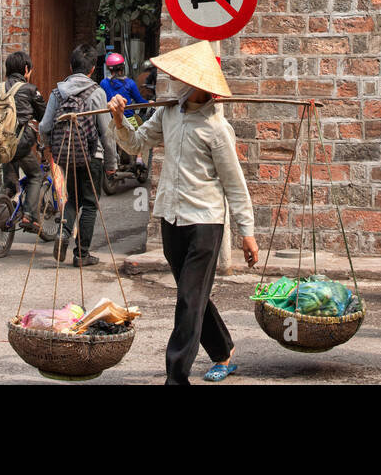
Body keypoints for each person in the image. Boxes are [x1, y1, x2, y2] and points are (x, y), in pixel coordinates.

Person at [108, 40, 258, 385]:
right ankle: (223, 351)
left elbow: (235, 186)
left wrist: (246, 234)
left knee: (189, 299)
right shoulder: (168, 113)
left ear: (197, 85)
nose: (171, 82)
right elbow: (135, 143)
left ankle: (176, 376)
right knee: (193, 295)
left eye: (178, 77)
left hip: (205, 222)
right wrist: (119, 120)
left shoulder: (217, 129)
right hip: (171, 219)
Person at [39, 43, 115, 267]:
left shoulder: (57, 92)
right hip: (92, 156)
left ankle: (63, 232)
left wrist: (48, 148)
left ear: (71, 66)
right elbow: (107, 133)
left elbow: (44, 126)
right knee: (90, 203)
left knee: (73, 199)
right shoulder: (97, 92)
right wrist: (112, 163)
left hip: (66, 155)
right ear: (93, 68)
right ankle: (82, 254)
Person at [0, 51, 47, 232]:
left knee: (9, 182)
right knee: (35, 176)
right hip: (20, 143)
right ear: (26, 69)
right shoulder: (30, 90)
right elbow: (44, 115)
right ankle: (29, 216)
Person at [100, 52, 144, 124]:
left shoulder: (103, 83)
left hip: (112, 122)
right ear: (123, 67)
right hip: (129, 122)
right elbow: (140, 101)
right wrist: (150, 102)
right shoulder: (130, 83)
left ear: (109, 68)